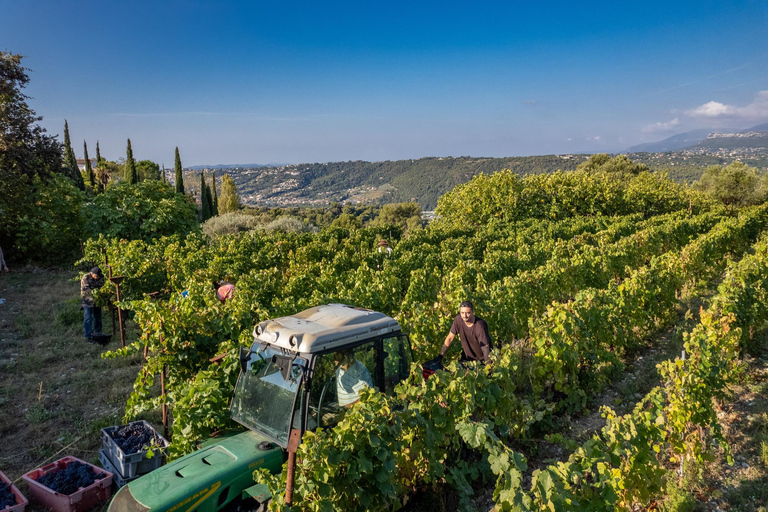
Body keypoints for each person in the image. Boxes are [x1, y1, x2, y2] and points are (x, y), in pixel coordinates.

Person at [81, 266, 105, 341]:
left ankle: (97, 333)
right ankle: (88, 335)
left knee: (97, 317)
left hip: (97, 300)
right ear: (92, 274)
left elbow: (102, 287)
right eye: (96, 276)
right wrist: (97, 292)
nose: (97, 277)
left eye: (99, 276)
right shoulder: (85, 278)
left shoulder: (100, 277)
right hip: (87, 300)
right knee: (88, 318)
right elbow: (87, 290)